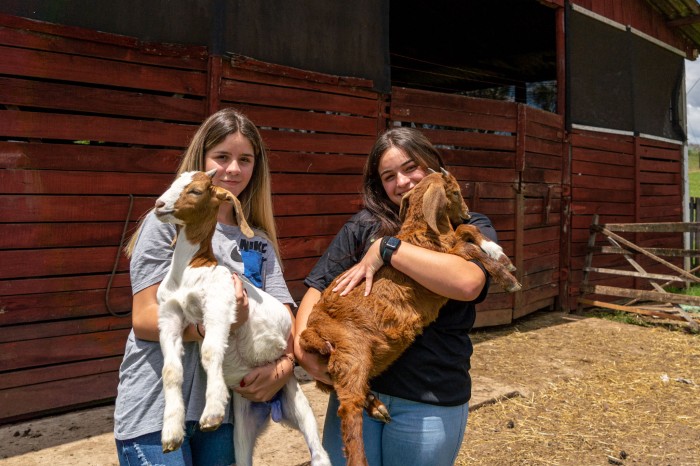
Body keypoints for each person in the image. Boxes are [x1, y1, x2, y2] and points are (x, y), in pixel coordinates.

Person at [293, 126, 496, 466]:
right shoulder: (363, 225)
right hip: (361, 387)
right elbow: (316, 288)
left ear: (433, 164)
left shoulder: (467, 225)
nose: (402, 182)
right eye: (389, 176)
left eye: (410, 167)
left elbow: (468, 283)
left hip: (428, 399)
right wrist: (304, 353)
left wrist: (388, 249)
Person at [114, 108, 297, 466]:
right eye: (222, 157)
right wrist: (213, 325)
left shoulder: (257, 241)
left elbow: (284, 317)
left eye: (245, 159)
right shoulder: (168, 222)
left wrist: (284, 368)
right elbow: (145, 318)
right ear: (203, 160)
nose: (233, 169)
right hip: (156, 408)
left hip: (223, 414)